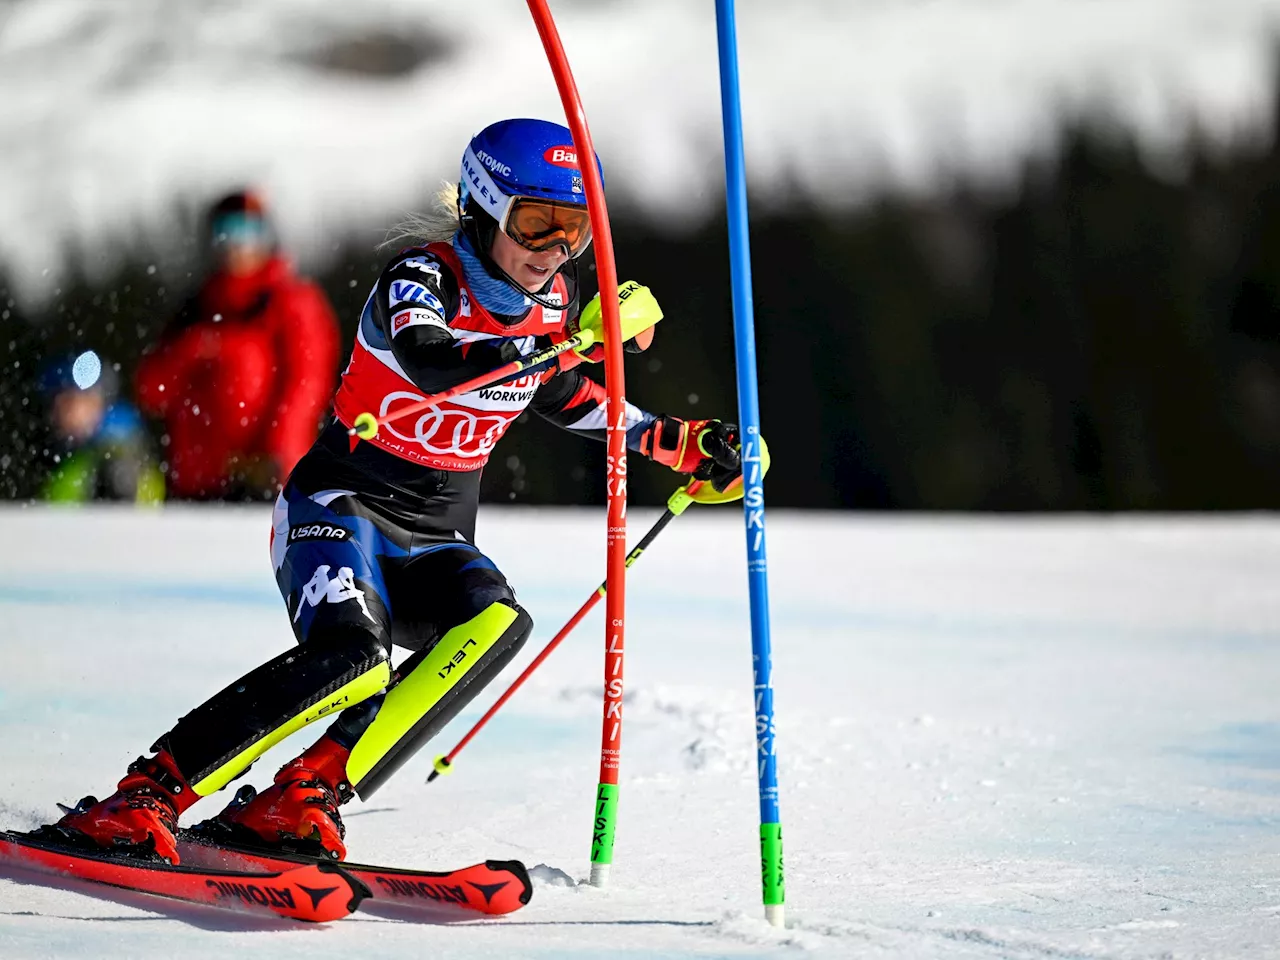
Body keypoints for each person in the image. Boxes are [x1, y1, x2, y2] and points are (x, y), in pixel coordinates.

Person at [47, 119, 744, 864]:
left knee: (495, 624)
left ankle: (308, 792)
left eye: (573, 229)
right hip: (340, 509)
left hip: (436, 536)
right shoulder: (422, 276)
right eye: (535, 222)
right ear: (482, 206)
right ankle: (150, 792)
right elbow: (434, 359)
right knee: (354, 657)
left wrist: (676, 440)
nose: (553, 250)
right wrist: (562, 342)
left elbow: (561, 391)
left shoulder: (553, 305)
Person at [134, 191, 340, 500]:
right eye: (226, 231)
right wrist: (191, 351)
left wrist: (277, 451)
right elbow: (151, 392)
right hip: (195, 484)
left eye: (248, 231)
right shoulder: (195, 308)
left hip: (266, 481)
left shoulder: (292, 301)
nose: (236, 244)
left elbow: (308, 383)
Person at [39, 351, 165, 505]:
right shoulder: (63, 446)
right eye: (60, 403)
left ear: (98, 402)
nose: (66, 411)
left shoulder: (114, 451)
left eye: (73, 401)